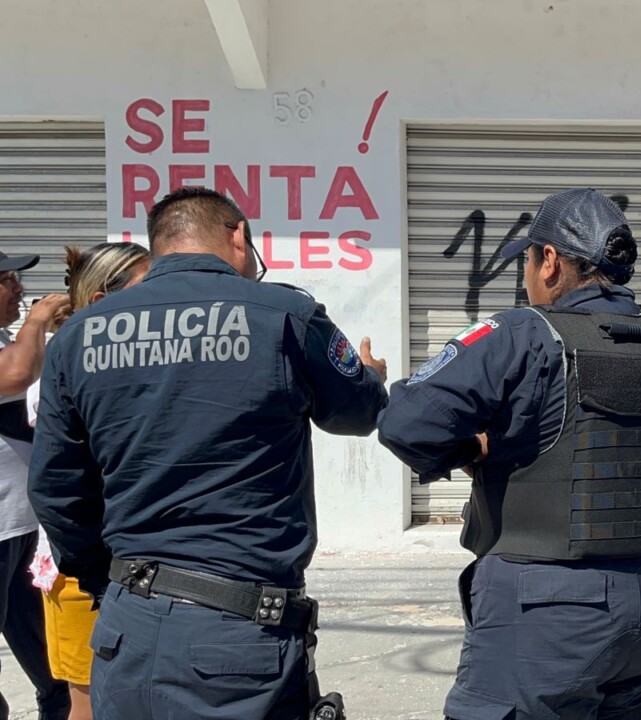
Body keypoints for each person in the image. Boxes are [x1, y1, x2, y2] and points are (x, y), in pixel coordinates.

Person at [378, 188, 641, 720]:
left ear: (548, 261)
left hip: (549, 612)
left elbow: (407, 423)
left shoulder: (522, 334)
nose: (525, 278)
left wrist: (473, 448)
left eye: (526, 261)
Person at [26, 187, 389, 720]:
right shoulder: (286, 314)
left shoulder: (77, 335)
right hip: (239, 638)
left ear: (161, 245)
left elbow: (56, 489)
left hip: (128, 629)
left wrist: (110, 583)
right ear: (237, 235)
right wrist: (371, 381)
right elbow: (358, 414)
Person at [26, 242, 151, 720]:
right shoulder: (67, 368)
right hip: (81, 569)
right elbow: (58, 489)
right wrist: (93, 571)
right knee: (90, 701)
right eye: (148, 288)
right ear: (103, 304)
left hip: (130, 564)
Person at [0, 250, 72, 720]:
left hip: (22, 528)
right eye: (9, 280)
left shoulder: (8, 338)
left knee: (57, 671)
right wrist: (40, 319)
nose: (21, 290)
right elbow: (16, 375)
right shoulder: (16, 346)